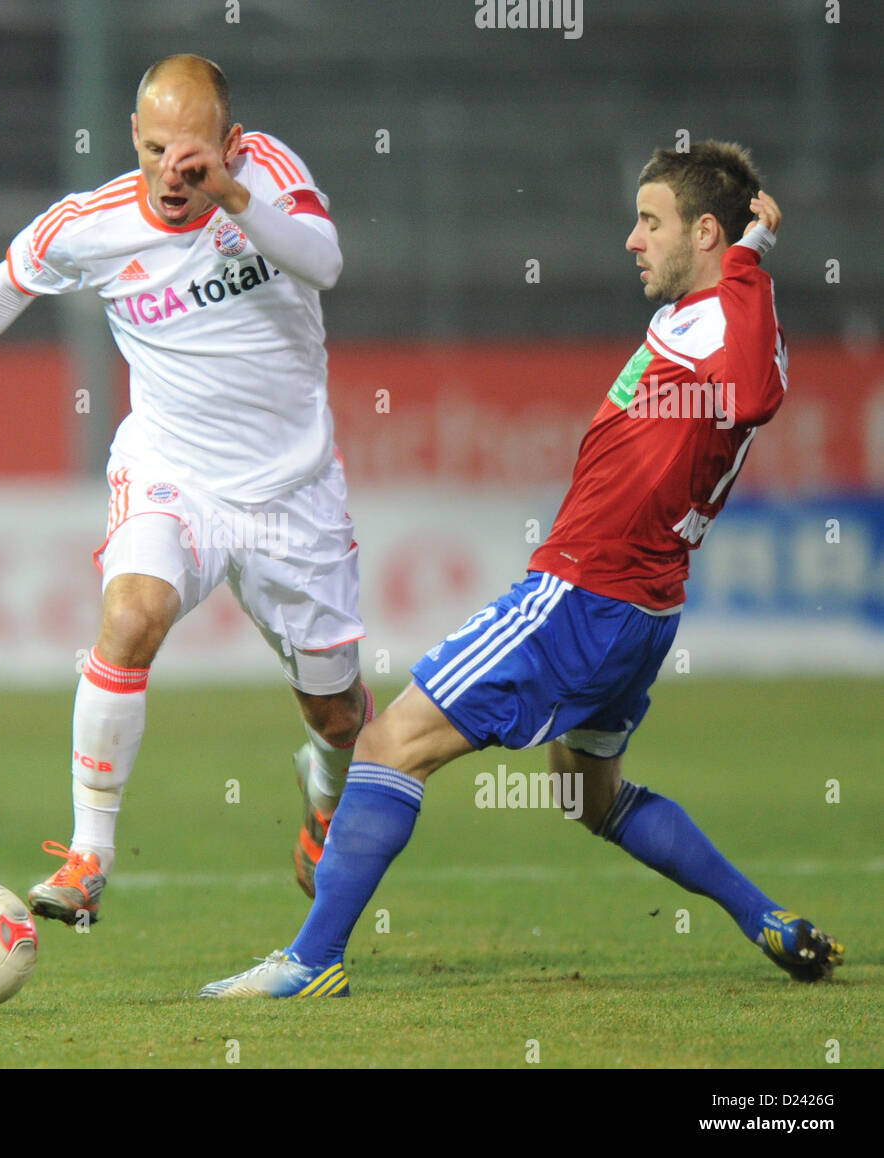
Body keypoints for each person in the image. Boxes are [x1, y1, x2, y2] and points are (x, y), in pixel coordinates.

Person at [200, 141, 845, 997]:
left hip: (583, 595)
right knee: (588, 795)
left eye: (650, 221)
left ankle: (311, 961)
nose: (632, 239)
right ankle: (763, 916)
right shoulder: (701, 318)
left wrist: (753, 258)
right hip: (643, 609)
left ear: (707, 231)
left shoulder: (734, 314)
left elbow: (755, 395)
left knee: (390, 743)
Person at [0, 54, 372, 926]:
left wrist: (233, 195)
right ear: (132, 140)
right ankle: (88, 854)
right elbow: (9, 281)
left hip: (292, 492)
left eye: (190, 156)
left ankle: (325, 793)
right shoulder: (93, 224)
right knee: (132, 613)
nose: (170, 175)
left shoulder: (266, 175)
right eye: (152, 151)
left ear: (227, 142)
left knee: (337, 713)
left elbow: (326, 263)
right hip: (171, 469)